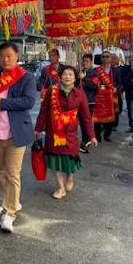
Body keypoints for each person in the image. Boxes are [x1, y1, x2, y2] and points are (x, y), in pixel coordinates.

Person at [0, 42, 36, 233]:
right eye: (2, 55)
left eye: (9, 55)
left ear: (17, 56)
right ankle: (9, 202)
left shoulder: (26, 77)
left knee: (13, 174)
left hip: (15, 133)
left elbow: (28, 101)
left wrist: (2, 102)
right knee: (1, 172)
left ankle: (9, 213)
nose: (5, 59)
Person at [35, 66, 98, 198]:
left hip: (70, 132)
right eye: (64, 74)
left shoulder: (80, 94)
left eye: (70, 74)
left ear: (75, 78)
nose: (67, 77)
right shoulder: (52, 91)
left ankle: (69, 177)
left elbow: (86, 117)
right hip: (53, 131)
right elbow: (44, 111)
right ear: (60, 76)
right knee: (54, 159)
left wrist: (92, 136)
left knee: (70, 158)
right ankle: (61, 187)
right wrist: (38, 128)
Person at [93, 50, 123, 141]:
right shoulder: (96, 70)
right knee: (98, 115)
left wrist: (116, 88)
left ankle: (107, 134)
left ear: (111, 59)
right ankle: (97, 135)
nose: (105, 58)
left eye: (107, 57)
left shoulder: (116, 70)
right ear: (101, 59)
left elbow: (119, 83)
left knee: (111, 115)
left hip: (111, 95)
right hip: (99, 96)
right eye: (103, 57)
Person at [77, 54, 98, 152]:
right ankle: (85, 139)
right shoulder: (79, 72)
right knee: (81, 122)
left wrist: (84, 78)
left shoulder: (94, 73)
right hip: (79, 101)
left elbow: (94, 86)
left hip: (89, 101)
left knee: (87, 121)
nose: (85, 63)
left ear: (91, 63)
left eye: (87, 61)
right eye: (83, 61)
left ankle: (87, 139)